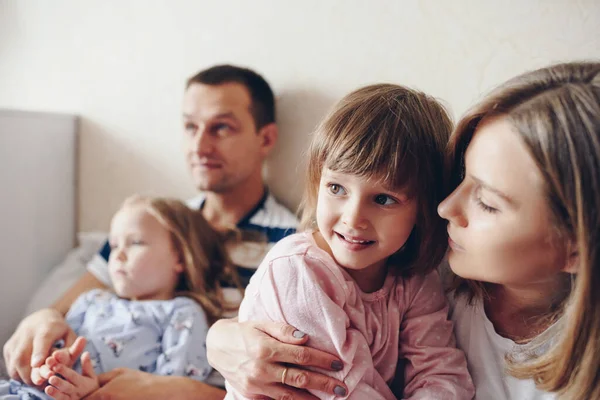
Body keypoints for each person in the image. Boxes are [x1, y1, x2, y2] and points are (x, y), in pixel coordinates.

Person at [206, 61, 600, 400]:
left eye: (487, 201)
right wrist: (219, 339)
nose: (444, 207)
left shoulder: (417, 278)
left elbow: (439, 373)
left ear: (576, 248)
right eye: (461, 178)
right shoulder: (438, 266)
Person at [3, 65, 301, 400]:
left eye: (221, 128)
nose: (199, 146)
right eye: (190, 126)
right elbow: (62, 309)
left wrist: (176, 390)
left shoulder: (290, 246)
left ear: (266, 138)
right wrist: (39, 321)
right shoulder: (152, 223)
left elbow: (284, 383)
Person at [225, 84, 474, 399]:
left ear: (423, 210)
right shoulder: (297, 270)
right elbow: (343, 389)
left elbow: (442, 374)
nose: (353, 218)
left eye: (383, 199)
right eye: (337, 188)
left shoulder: (416, 281)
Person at [1, 195, 240, 400]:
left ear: (179, 257)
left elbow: (170, 388)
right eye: (114, 245)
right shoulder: (91, 300)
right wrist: (49, 364)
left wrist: (90, 388)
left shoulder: (182, 313)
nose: (118, 255)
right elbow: (64, 343)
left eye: (135, 242)